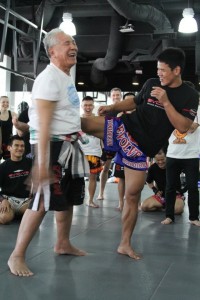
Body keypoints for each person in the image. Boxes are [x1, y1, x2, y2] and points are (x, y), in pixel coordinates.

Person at [81, 47, 199, 260]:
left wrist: (165, 101)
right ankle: (45, 127)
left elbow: (182, 126)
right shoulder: (152, 83)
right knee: (83, 123)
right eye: (158, 69)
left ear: (177, 70)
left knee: (132, 196)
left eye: (163, 70)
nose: (160, 73)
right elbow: (134, 102)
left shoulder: (189, 95)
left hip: (142, 150)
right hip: (124, 128)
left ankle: (124, 244)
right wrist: (113, 107)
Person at [8, 28, 89, 277]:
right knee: (41, 201)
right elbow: (42, 123)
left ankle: (62, 242)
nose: (73, 45)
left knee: (68, 196)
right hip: (50, 146)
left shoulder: (65, 76)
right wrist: (41, 164)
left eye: (74, 41)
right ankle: (17, 255)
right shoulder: (49, 78)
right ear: (53, 51)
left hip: (67, 146)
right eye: (67, 42)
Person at [161, 118, 200, 225]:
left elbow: (192, 127)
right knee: (170, 187)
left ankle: (194, 218)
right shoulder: (173, 110)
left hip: (191, 155)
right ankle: (169, 216)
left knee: (192, 187)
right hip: (173, 154)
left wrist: (179, 121)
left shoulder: (197, 110)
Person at [97, 87, 122, 200]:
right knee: (106, 168)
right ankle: (101, 193)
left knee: (125, 170)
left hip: (123, 142)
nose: (116, 97)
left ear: (120, 96)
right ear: (110, 97)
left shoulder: (125, 108)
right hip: (109, 142)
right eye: (114, 95)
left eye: (117, 95)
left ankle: (124, 197)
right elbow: (101, 127)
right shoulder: (106, 111)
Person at [0, 135, 32, 224]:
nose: (20, 148)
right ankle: (11, 213)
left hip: (25, 200)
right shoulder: (3, 167)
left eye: (22, 146)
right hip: (8, 200)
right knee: (5, 218)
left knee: (33, 216)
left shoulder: (30, 163)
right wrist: (3, 200)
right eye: (16, 145)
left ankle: (18, 214)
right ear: (9, 148)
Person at [79, 96, 103, 208]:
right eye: (85, 105)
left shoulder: (98, 119)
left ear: (93, 106)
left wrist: (103, 152)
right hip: (80, 152)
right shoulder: (77, 119)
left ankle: (90, 200)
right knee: (76, 177)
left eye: (90, 105)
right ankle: (75, 198)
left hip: (95, 153)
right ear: (82, 106)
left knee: (93, 177)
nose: (88, 107)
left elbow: (103, 136)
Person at [0, 96, 17, 160]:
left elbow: (22, 120)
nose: (6, 104)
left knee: (8, 163)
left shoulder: (12, 114)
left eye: (7, 102)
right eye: (3, 102)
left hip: (8, 143)